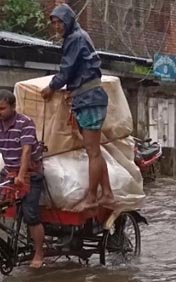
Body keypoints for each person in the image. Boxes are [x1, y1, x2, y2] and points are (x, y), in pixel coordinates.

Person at [40, 3, 114, 210]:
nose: (57, 26)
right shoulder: (79, 36)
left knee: (93, 152)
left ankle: (92, 196)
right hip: (86, 99)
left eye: (60, 22)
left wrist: (51, 87)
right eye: (54, 23)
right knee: (94, 151)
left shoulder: (75, 38)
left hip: (89, 99)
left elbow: (66, 71)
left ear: (69, 21)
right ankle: (107, 193)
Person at [0, 89, 46, 268]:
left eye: (2, 108)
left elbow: (26, 151)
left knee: (31, 215)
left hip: (30, 173)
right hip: (8, 172)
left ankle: (39, 252)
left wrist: (21, 175)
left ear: (13, 107)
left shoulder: (25, 123)